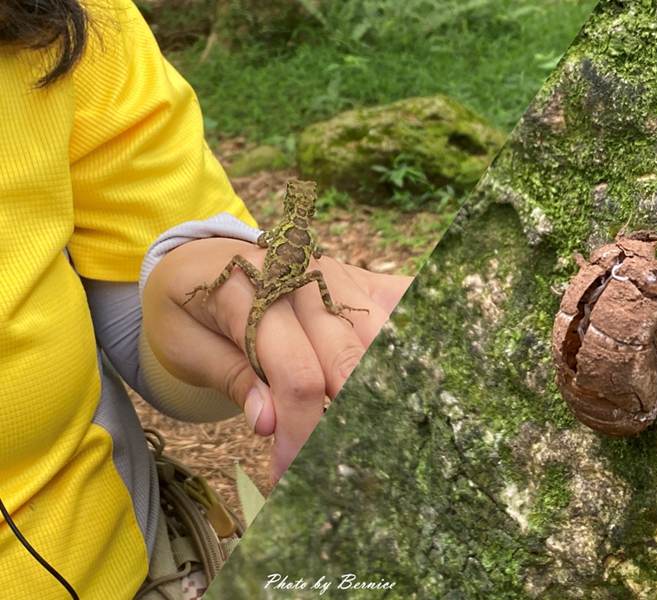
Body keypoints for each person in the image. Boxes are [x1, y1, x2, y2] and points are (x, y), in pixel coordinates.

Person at [0, 0, 411, 597]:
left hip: (109, 563)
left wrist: (182, 277)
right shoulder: (295, 234)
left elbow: (163, 323)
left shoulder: (68, 23)